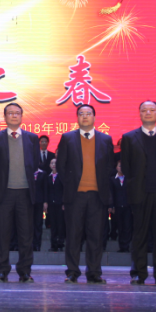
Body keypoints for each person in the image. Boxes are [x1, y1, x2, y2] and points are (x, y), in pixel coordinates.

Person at [122, 100, 156, 285]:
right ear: (139, 114)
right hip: (140, 194)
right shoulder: (129, 137)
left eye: (152, 110)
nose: (148, 112)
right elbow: (127, 167)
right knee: (139, 235)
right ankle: (138, 273)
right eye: (144, 110)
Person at [56, 104, 114, 284]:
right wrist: (70, 185)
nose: (85, 116)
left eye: (88, 113)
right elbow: (61, 166)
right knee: (73, 236)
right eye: (81, 114)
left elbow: (110, 167)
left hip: (97, 196)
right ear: (77, 117)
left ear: (94, 117)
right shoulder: (67, 138)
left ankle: (94, 272)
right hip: (75, 196)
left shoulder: (105, 139)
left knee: (96, 236)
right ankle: (72, 272)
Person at [0, 103, 40, 283]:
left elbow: (35, 163)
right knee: (3, 234)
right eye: (10, 113)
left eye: (17, 113)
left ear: (22, 116)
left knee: (26, 235)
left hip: (25, 193)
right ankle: (2, 270)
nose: (14, 116)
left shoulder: (32, 138)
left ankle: (25, 271)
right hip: (4, 193)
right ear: (5, 117)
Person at [110, 161, 132, 252]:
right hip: (117, 206)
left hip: (127, 206)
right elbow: (111, 193)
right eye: (119, 166)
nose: (121, 168)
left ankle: (126, 246)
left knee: (127, 226)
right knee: (120, 227)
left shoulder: (129, 179)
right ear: (116, 167)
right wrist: (111, 206)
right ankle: (121, 246)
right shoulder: (112, 179)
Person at [45, 158, 65, 252]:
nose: (54, 165)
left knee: (60, 224)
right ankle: (53, 244)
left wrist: (64, 202)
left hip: (60, 203)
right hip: (51, 204)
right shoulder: (48, 177)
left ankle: (60, 243)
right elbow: (46, 191)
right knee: (53, 224)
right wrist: (46, 202)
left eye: (55, 163)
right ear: (49, 165)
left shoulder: (61, 177)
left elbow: (64, 190)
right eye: (52, 163)